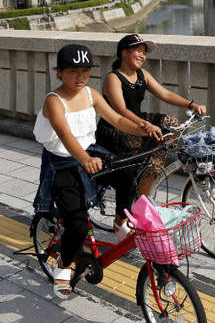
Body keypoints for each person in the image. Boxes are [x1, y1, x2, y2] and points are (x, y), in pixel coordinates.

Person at [31, 44, 160, 299]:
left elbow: (117, 119)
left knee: (127, 177)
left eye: (86, 71)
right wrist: (84, 159)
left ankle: (119, 223)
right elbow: (65, 135)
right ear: (59, 72)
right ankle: (63, 265)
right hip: (62, 162)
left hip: (90, 153)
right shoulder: (53, 101)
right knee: (78, 226)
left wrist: (143, 128)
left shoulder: (91, 94)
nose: (81, 77)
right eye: (73, 71)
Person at [97, 34, 206, 197]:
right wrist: (145, 124)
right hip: (117, 129)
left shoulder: (143, 74)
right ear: (123, 52)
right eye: (138, 51)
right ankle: (142, 191)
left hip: (138, 121)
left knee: (171, 124)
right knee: (150, 156)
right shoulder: (113, 78)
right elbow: (121, 110)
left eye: (144, 52)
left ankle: (150, 173)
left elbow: (165, 94)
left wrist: (191, 105)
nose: (142, 56)